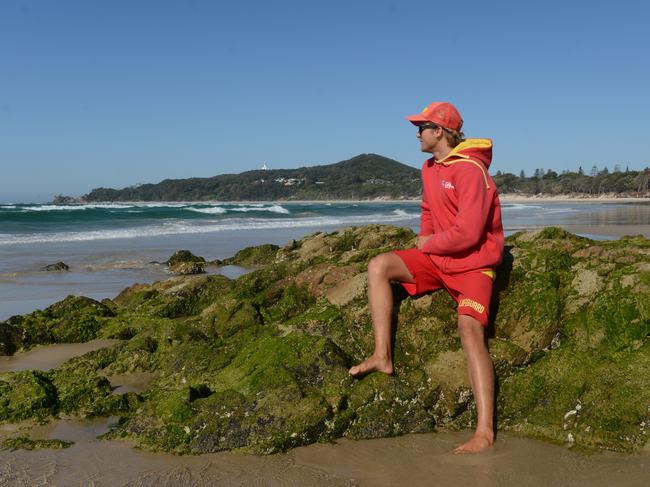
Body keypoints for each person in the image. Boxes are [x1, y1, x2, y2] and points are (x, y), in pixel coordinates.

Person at [348, 101, 504, 454]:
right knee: (379, 265)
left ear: (440, 132)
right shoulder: (429, 167)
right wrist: (425, 239)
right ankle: (381, 355)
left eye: (422, 127)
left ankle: (484, 432)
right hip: (439, 260)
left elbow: (469, 231)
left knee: (469, 330)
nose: (417, 133)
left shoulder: (470, 170)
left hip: (474, 266)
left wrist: (431, 243)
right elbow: (428, 210)